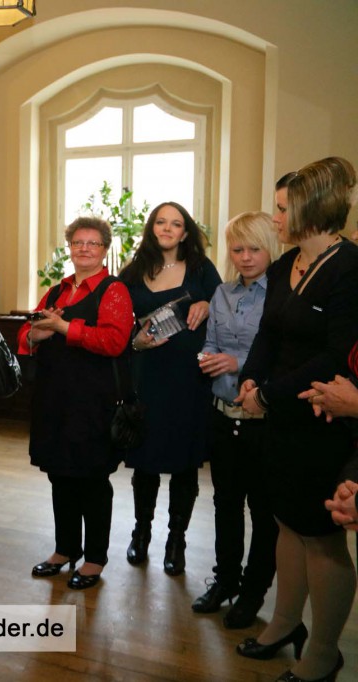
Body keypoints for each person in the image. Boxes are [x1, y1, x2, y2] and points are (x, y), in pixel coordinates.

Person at [235, 157, 358, 682]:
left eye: (284, 209)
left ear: (313, 209)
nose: (276, 217)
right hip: (279, 415)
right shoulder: (287, 265)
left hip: (322, 419)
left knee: (321, 538)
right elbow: (268, 334)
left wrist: (268, 393)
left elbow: (335, 355)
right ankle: (284, 624)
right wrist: (250, 381)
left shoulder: (351, 268)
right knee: (285, 522)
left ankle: (324, 652)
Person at [18, 217, 134, 589]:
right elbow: (25, 336)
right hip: (55, 399)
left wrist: (64, 329)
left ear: (105, 250)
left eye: (93, 243)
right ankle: (65, 549)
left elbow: (114, 342)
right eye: (78, 242)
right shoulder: (56, 291)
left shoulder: (115, 291)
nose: (84, 248)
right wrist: (37, 332)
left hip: (93, 402)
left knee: (92, 480)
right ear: (69, 247)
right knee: (60, 475)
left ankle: (95, 558)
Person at [120, 202, 221, 576]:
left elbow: (223, 306)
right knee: (144, 462)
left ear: (185, 232)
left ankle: (176, 538)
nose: (167, 228)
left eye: (175, 223)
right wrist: (136, 340)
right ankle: (141, 533)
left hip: (188, 380)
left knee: (184, 463)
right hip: (147, 377)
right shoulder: (132, 272)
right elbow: (119, 325)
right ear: (152, 228)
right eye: (161, 222)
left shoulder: (200, 269)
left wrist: (208, 305)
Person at [190, 212, 279, 629]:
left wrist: (238, 362)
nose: (245, 257)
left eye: (254, 249)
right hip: (223, 415)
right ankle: (226, 580)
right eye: (237, 249)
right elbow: (210, 343)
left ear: (270, 248)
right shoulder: (222, 294)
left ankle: (253, 594)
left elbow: (282, 359)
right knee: (225, 505)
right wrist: (206, 359)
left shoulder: (282, 295)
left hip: (264, 421)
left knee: (263, 513)